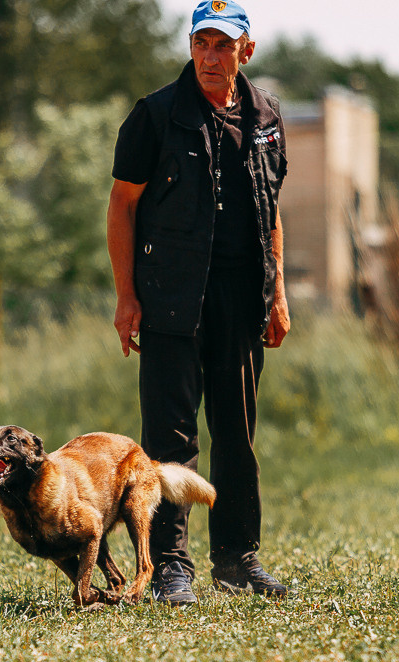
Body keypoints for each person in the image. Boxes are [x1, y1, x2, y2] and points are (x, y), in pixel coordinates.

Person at [106, 0, 290, 605]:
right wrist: (127, 296)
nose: (210, 56)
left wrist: (278, 293)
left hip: (240, 303)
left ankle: (238, 560)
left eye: (223, 44)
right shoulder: (155, 115)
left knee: (236, 436)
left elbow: (271, 212)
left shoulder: (266, 116)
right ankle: (171, 568)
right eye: (201, 43)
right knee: (170, 442)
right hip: (169, 302)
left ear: (247, 51)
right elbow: (122, 205)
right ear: (190, 47)